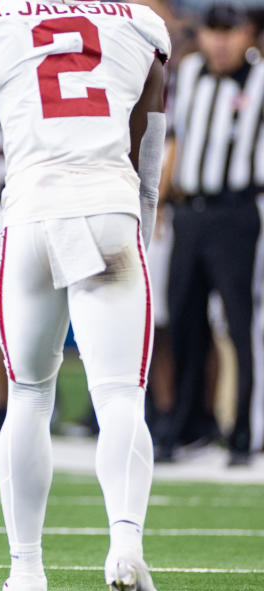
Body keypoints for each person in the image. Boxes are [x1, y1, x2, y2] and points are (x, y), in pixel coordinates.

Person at [0, 0, 170, 591]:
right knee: (121, 395)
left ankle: (25, 572)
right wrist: (136, 243)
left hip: (32, 218)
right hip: (109, 212)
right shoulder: (139, 26)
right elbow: (147, 163)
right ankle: (125, 544)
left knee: (28, 396)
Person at [160, 2, 263, 466]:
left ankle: (242, 432)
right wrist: (157, 201)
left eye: (231, 31)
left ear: (249, 34)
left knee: (241, 326)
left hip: (238, 213)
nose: (220, 41)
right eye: (212, 30)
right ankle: (188, 424)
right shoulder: (191, 73)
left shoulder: (260, 78)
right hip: (189, 214)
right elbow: (175, 141)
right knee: (183, 320)